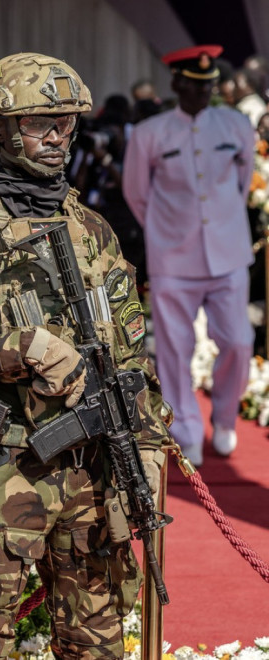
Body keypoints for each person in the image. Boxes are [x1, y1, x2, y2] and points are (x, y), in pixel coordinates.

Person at [0, 52, 172, 659]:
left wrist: (148, 442)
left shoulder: (91, 227)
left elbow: (131, 352)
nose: (56, 137)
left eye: (66, 123)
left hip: (96, 467)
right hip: (5, 465)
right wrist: (20, 347)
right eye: (39, 122)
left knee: (97, 641)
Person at [123, 45, 254, 466]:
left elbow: (243, 180)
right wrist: (168, 231)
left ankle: (226, 416)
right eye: (195, 86)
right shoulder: (151, 133)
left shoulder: (235, 126)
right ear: (177, 83)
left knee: (238, 341)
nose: (203, 93)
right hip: (174, 259)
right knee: (174, 349)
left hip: (228, 253)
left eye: (210, 86)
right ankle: (187, 430)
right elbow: (136, 194)